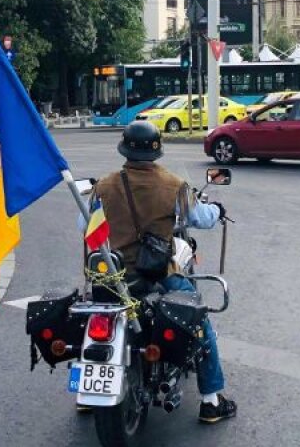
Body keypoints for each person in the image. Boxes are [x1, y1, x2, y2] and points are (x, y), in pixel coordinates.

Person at [91, 120, 237, 424]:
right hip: (159, 274)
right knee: (199, 323)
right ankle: (211, 400)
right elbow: (201, 218)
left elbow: (85, 226)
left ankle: (87, 394)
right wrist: (218, 210)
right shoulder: (173, 185)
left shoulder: (103, 186)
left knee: (93, 316)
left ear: (124, 149)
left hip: (115, 277)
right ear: (157, 150)